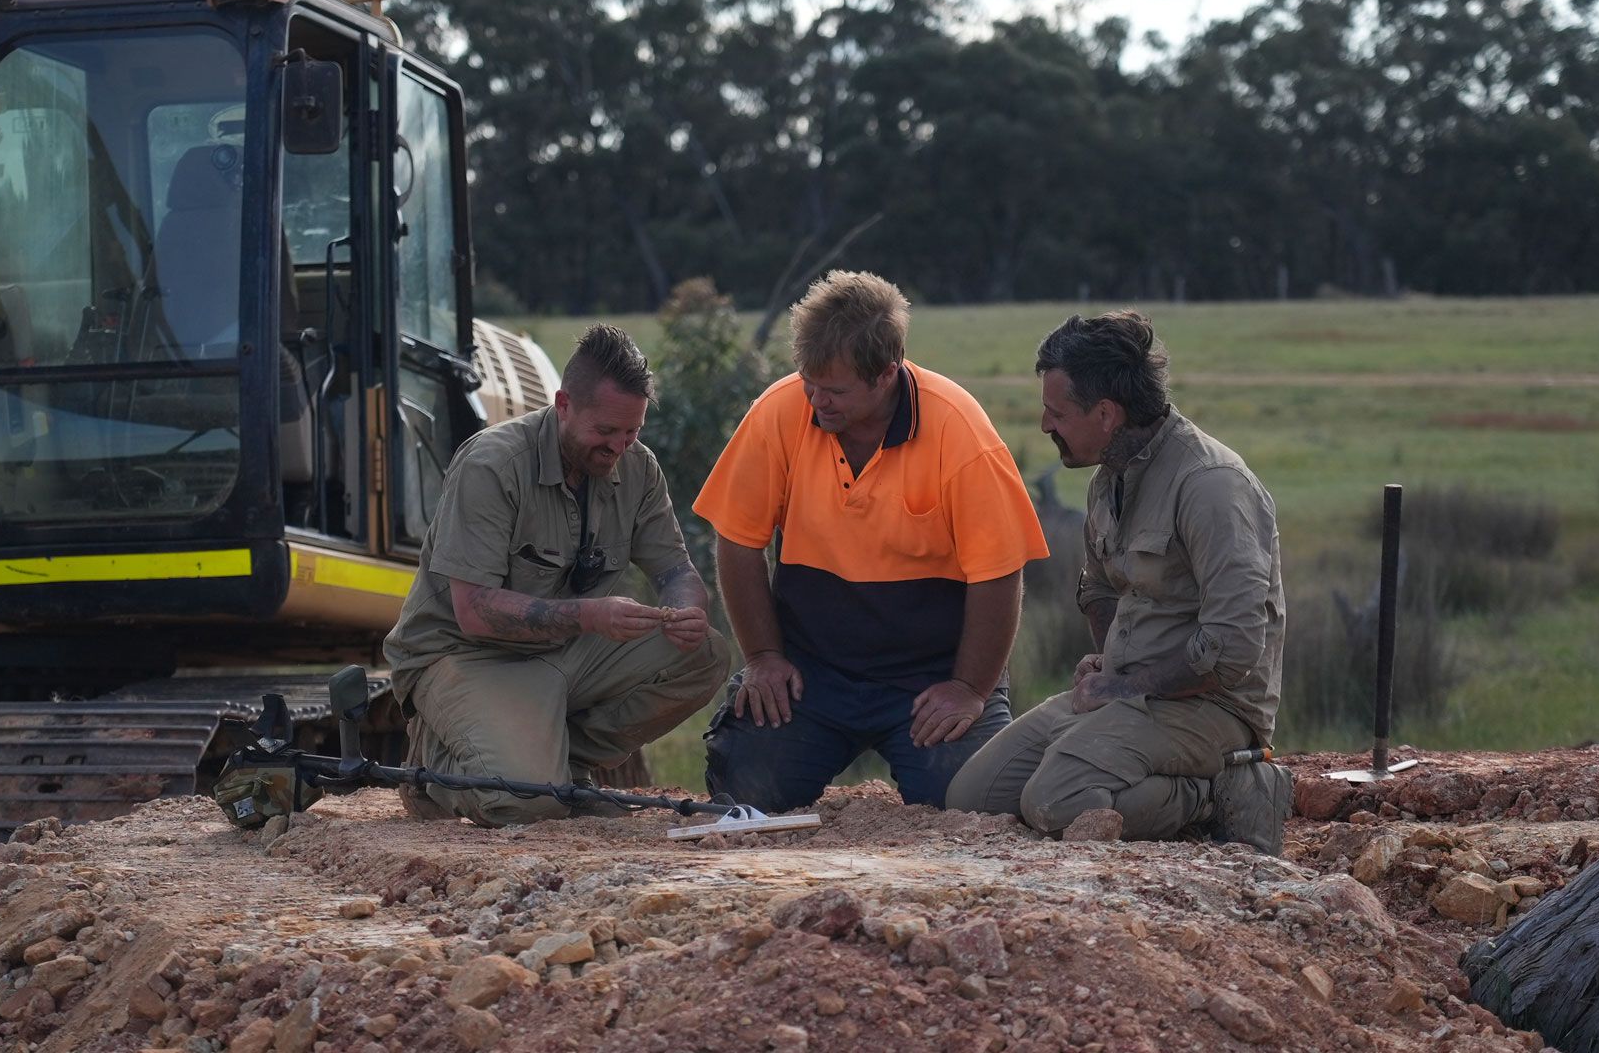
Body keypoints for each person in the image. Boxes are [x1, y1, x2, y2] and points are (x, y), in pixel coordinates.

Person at [695, 271, 1050, 814]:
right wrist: (764, 656)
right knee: (744, 788)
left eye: (834, 390)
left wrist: (969, 688)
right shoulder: (781, 409)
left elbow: (999, 572)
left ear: (887, 374)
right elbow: (738, 541)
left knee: (971, 801)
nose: (816, 400)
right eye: (808, 381)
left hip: (931, 672)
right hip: (810, 667)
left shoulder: (961, 431)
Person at [944, 311, 1294, 854]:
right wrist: (1109, 662)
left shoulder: (1212, 488)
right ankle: (1137, 778)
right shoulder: (1109, 475)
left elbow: (1233, 650)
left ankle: (1216, 792)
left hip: (1213, 708)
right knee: (972, 796)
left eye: (1056, 412)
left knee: (1055, 803)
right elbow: (1101, 589)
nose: (1045, 426)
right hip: (1127, 691)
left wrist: (1127, 685)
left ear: (1106, 414)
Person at [382, 325, 728, 825]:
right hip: (467, 655)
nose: (619, 448)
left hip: (563, 651)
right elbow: (473, 611)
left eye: (632, 432)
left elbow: (676, 569)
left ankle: (567, 768)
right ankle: (435, 775)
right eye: (605, 432)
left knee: (703, 652)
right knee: (525, 803)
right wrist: (589, 615)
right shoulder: (494, 465)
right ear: (564, 404)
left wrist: (688, 609)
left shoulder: (639, 468)